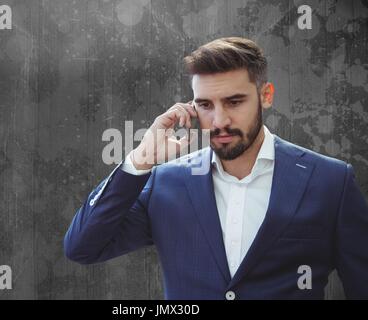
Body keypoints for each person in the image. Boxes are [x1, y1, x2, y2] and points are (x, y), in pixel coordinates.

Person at [64, 37, 368, 300]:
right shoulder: (166, 183)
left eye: (234, 102)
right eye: (205, 105)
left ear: (266, 96)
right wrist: (141, 159)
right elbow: (82, 247)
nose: (219, 120)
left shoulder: (330, 181)